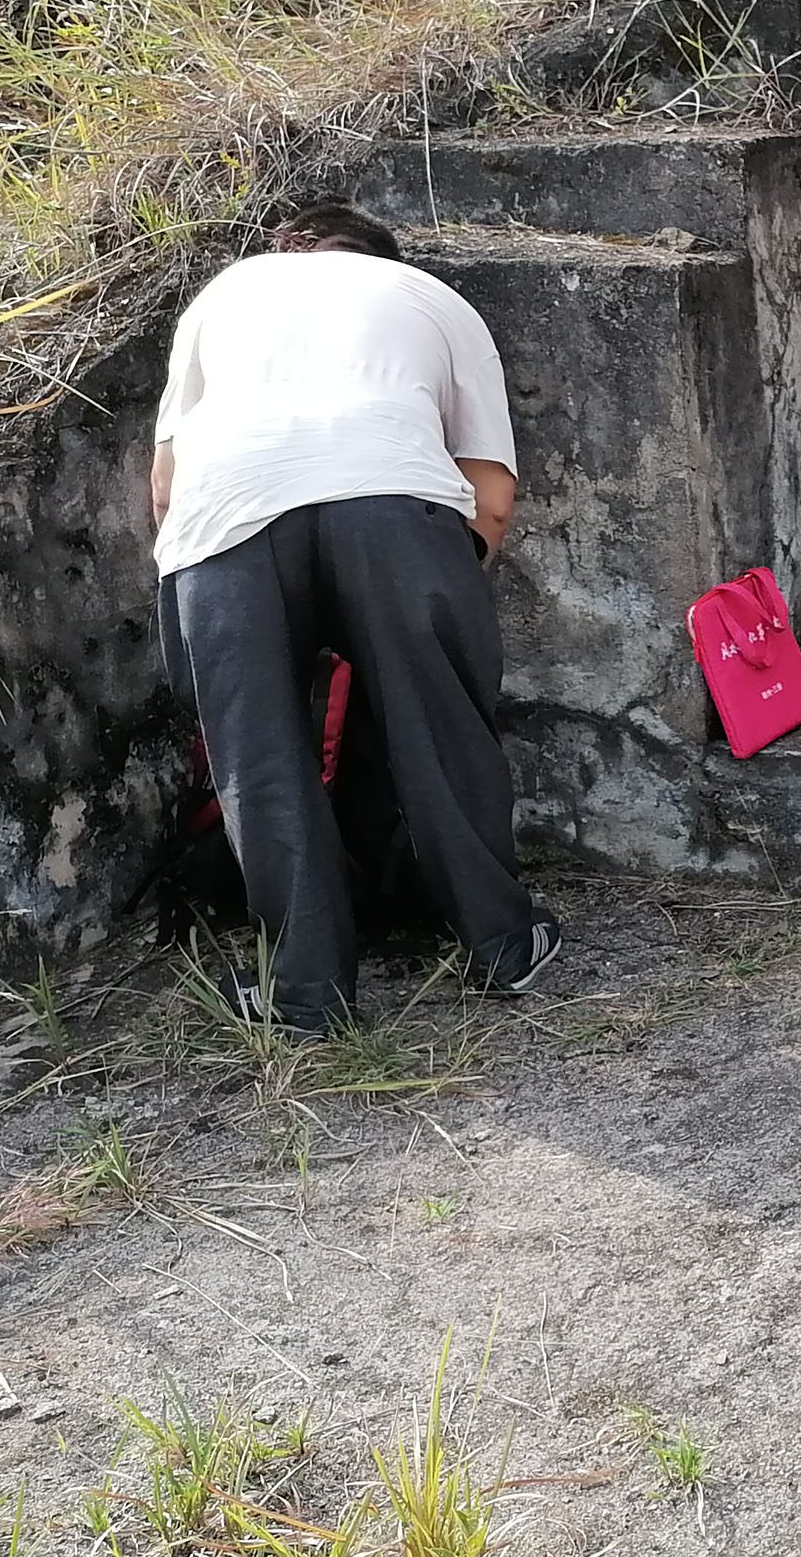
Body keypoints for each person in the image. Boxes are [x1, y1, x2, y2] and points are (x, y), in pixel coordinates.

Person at [150, 202, 559, 1035]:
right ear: (384, 257)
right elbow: (491, 494)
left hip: (225, 518)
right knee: (441, 732)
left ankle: (306, 995)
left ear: (286, 250)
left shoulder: (222, 296)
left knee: (258, 758)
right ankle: (504, 948)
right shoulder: (432, 298)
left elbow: (166, 481)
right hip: (395, 512)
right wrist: (434, 600)